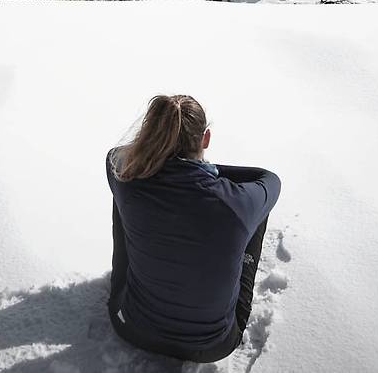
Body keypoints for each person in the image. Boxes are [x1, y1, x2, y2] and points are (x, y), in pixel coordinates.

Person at [105, 94, 281, 364]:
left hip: (131, 327)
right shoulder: (236, 202)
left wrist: (158, 159)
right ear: (206, 139)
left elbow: (115, 156)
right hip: (213, 345)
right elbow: (268, 179)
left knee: (128, 177)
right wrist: (202, 172)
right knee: (254, 213)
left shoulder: (128, 179)